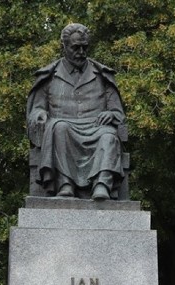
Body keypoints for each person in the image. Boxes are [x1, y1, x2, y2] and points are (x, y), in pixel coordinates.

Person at [26, 23, 125, 200]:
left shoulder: (102, 75)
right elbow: (36, 108)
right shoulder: (49, 76)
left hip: (96, 127)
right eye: (75, 47)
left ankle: (102, 184)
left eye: (84, 47)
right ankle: (65, 185)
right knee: (59, 127)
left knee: (109, 136)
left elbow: (118, 112)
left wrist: (111, 114)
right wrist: (39, 114)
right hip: (64, 126)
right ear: (64, 47)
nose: (81, 52)